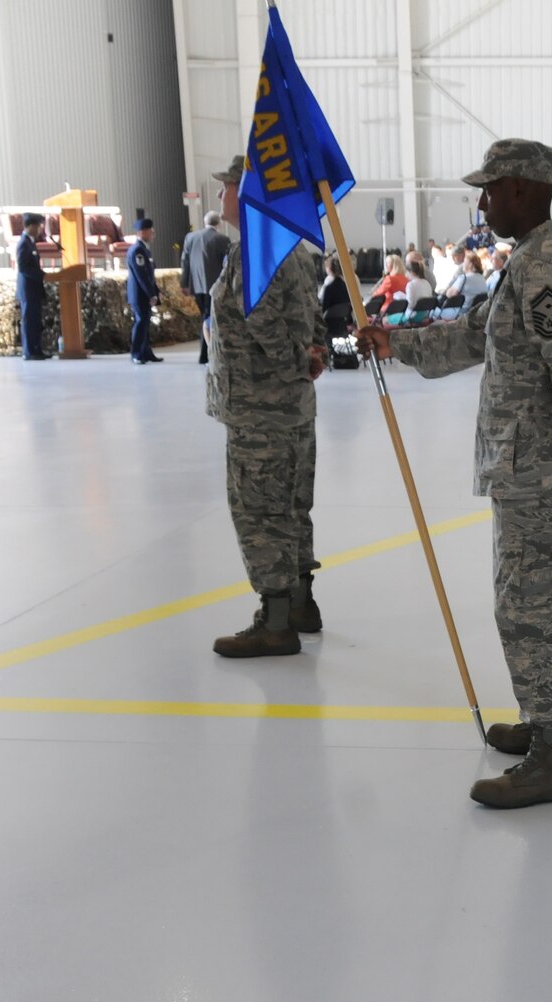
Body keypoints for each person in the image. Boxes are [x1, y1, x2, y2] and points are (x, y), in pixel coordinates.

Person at [357, 139, 552, 810]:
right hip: (527, 467)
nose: (483, 200)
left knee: (530, 605)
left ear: (523, 190)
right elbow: (476, 335)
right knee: (538, 599)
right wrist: (396, 341)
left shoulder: (543, 267)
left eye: (491, 189)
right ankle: (550, 721)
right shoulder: (527, 262)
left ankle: (551, 752)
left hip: (540, 474)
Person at [201, 155, 327, 659]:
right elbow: (313, 316)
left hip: (259, 411)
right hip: (293, 407)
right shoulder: (293, 248)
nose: (220, 196)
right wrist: (309, 358)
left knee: (260, 512)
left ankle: (275, 622)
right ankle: (301, 604)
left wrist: (296, 359)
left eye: (228, 186)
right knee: (292, 508)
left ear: (249, 191)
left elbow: (263, 323)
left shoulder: (254, 250)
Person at [181, 211, 232, 366]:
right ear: (219, 224)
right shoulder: (223, 239)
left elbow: (185, 261)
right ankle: (208, 352)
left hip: (197, 286)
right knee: (212, 318)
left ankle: (205, 353)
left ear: (205, 222)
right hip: (215, 286)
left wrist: (184, 283)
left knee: (205, 316)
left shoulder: (190, 238)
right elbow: (227, 264)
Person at [14, 212, 49, 360]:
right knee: (29, 322)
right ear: (31, 226)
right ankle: (29, 352)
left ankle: (36, 350)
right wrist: (42, 275)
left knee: (35, 321)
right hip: (28, 289)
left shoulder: (30, 242)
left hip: (34, 289)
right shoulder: (23, 243)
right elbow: (23, 267)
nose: (40, 229)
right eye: (38, 226)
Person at [127, 216, 160, 363]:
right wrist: (151, 293)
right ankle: (136, 353)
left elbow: (149, 274)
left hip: (143, 293)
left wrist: (155, 291)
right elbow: (142, 275)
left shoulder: (144, 250)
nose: (153, 234)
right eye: (150, 231)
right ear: (143, 232)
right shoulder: (138, 250)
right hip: (140, 294)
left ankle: (146, 352)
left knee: (145, 323)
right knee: (141, 323)